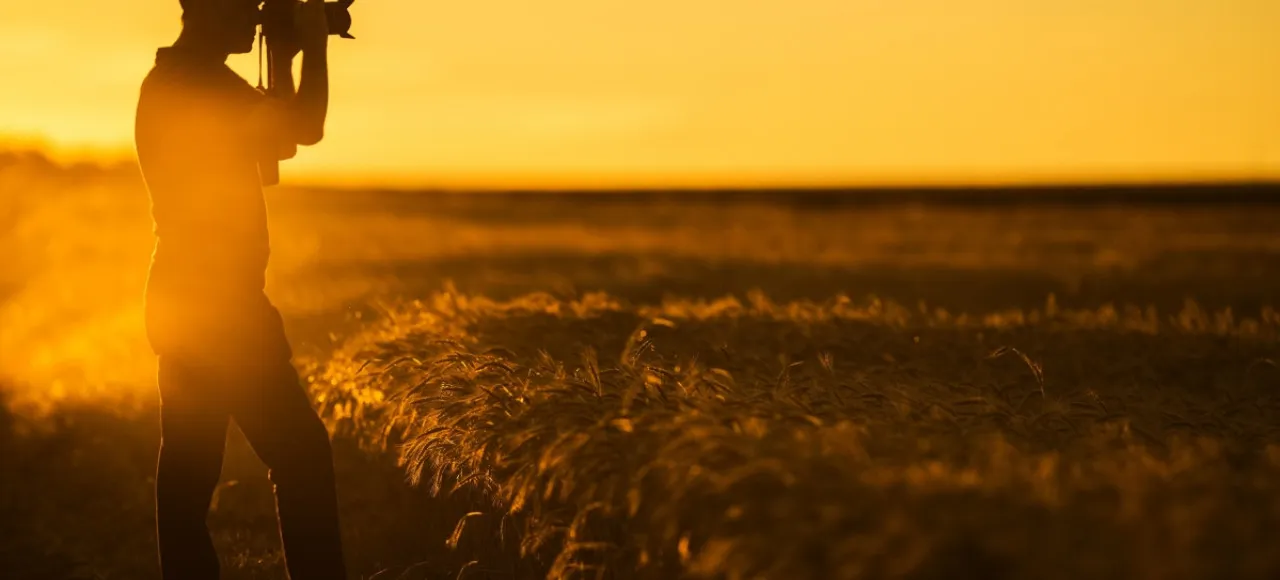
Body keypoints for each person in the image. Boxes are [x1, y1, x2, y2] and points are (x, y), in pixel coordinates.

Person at [133, 1, 345, 578]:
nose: (254, 16)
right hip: (222, 306)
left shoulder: (185, 79)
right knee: (301, 456)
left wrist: (285, 59)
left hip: (187, 298)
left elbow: (275, 144)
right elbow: (304, 128)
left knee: (188, 479)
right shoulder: (198, 86)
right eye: (243, 5)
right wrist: (313, 45)